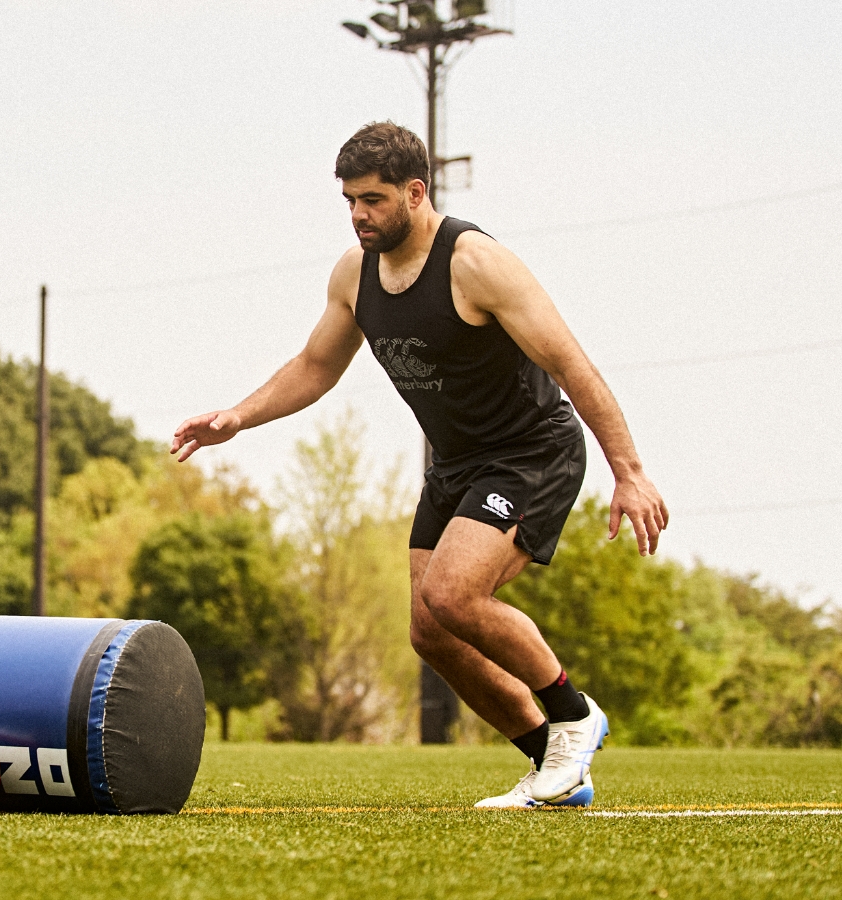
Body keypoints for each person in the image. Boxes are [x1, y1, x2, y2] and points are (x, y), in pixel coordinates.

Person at [170, 121, 669, 808]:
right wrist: (236, 416)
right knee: (430, 630)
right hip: (456, 464)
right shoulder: (356, 273)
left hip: (530, 452)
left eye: (372, 200)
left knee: (454, 593)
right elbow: (317, 365)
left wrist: (630, 470)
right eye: (348, 200)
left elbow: (569, 362)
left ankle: (574, 716)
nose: (358, 215)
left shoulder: (475, 263)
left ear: (415, 191)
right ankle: (553, 765)